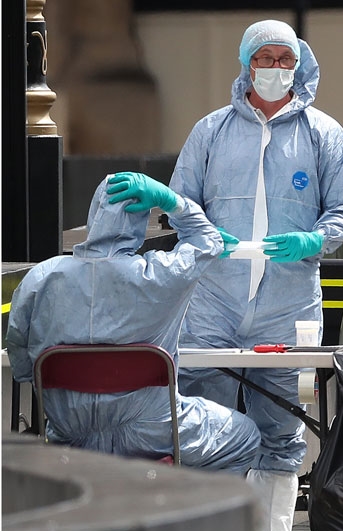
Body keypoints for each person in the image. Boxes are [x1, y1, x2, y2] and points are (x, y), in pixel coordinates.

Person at [168, 19, 343, 531]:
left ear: (299, 64)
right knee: (203, 417)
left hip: (286, 301)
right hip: (213, 297)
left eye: (285, 59)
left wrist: (311, 239)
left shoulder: (324, 134)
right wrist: (208, 237)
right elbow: (182, 203)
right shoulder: (211, 131)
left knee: (280, 423)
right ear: (246, 63)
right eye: (266, 58)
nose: (276, 69)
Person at [5, 173, 261, 473]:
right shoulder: (160, 274)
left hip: (68, 436)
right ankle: (186, 513)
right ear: (141, 218)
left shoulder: (41, 277)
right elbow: (209, 240)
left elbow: (21, 360)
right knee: (246, 439)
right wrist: (174, 202)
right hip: (152, 433)